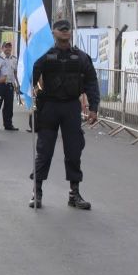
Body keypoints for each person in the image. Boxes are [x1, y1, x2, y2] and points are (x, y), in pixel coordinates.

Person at [30, 19, 99, 210]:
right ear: (53, 33)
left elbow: (91, 82)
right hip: (49, 107)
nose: (64, 32)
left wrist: (94, 108)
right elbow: (30, 79)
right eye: (61, 30)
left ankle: (74, 194)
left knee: (74, 152)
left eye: (67, 29)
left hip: (71, 108)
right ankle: (37, 191)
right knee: (44, 152)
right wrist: (28, 98)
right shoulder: (44, 56)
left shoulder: (81, 58)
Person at [0, 41, 20, 131]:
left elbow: (15, 72)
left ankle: (8, 124)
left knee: (9, 106)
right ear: (2, 48)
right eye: (6, 47)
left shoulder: (14, 59)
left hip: (10, 85)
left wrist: (17, 83)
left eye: (9, 47)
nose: (8, 49)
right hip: (0, 84)